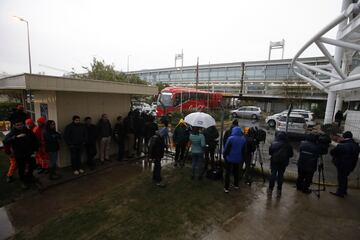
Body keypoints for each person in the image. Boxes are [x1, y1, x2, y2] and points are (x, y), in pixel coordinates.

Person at [3, 119, 39, 189]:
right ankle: (23, 181)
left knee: (33, 164)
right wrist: (15, 137)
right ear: (14, 125)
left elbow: (35, 140)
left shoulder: (28, 131)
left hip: (29, 152)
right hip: (19, 154)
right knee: (21, 168)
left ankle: (29, 176)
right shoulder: (12, 133)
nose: (20, 126)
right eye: (18, 125)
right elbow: (5, 141)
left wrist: (35, 150)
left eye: (21, 124)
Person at [330, 131, 360, 197]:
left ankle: (340, 193)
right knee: (345, 178)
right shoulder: (356, 145)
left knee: (341, 179)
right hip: (351, 166)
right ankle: (344, 190)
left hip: (342, 165)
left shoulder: (342, 145)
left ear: (344, 137)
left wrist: (339, 143)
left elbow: (332, 152)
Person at [268, 132, 293, 197]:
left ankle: (270, 189)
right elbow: (291, 155)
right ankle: (279, 190)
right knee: (280, 175)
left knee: (273, 174)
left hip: (274, 161)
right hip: (283, 162)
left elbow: (270, 152)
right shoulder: (288, 145)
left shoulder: (274, 144)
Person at [223, 126, 246, 193]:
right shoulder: (243, 139)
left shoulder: (230, 138)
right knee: (236, 172)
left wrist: (224, 155)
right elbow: (244, 150)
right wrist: (242, 158)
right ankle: (236, 185)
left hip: (229, 158)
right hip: (238, 158)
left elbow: (226, 148)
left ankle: (226, 188)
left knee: (228, 173)